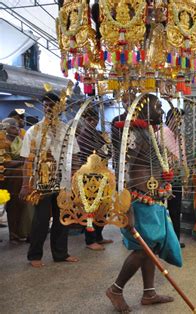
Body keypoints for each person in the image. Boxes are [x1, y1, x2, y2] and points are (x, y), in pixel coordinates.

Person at [107, 95, 181, 312]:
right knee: (144, 248)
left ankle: (149, 293)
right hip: (139, 199)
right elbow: (123, 171)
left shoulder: (147, 132)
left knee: (152, 246)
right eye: (157, 105)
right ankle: (116, 289)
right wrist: (126, 206)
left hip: (153, 197)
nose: (161, 109)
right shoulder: (135, 134)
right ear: (144, 109)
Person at [19, 92, 80, 268]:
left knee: (63, 218)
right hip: (42, 182)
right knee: (41, 219)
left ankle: (61, 254)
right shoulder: (34, 131)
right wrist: (25, 184)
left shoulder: (67, 130)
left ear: (60, 108)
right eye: (46, 105)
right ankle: (35, 255)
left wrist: (75, 181)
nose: (48, 108)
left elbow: (74, 157)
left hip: (64, 182)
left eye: (52, 105)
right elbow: (27, 160)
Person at [76, 108, 113, 251]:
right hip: (88, 178)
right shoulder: (82, 137)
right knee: (90, 208)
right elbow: (97, 154)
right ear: (84, 120)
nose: (92, 122)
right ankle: (90, 240)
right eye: (89, 119)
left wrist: (104, 152)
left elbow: (108, 153)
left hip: (102, 175)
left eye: (94, 119)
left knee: (103, 207)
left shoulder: (98, 135)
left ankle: (99, 236)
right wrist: (103, 152)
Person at [160, 108, 187, 248]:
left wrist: (185, 176)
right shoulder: (161, 133)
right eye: (177, 118)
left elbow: (183, 158)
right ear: (169, 118)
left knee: (176, 209)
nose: (179, 122)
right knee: (161, 209)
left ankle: (175, 239)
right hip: (162, 178)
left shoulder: (180, 137)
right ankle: (162, 239)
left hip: (177, 177)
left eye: (181, 119)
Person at [0, 118, 29, 242]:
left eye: (17, 126)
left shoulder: (19, 140)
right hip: (6, 176)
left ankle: (22, 230)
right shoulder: (2, 141)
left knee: (20, 204)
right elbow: (4, 162)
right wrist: (21, 162)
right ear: (5, 128)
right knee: (13, 204)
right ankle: (13, 233)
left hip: (18, 176)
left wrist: (22, 162)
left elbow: (26, 156)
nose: (17, 129)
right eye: (13, 127)